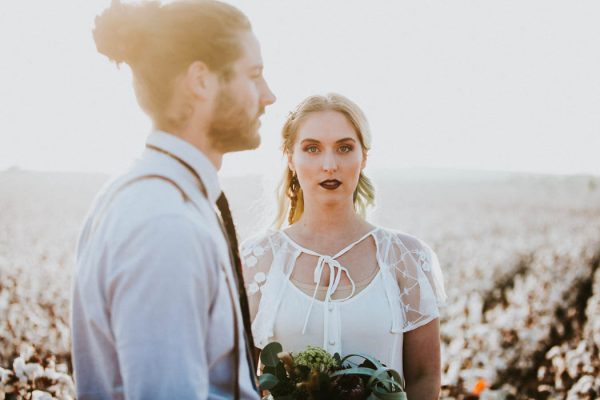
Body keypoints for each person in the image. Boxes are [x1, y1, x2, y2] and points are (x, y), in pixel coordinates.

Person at [71, 1, 275, 399]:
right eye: (254, 76)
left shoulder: (156, 198)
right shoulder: (164, 225)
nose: (269, 95)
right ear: (201, 80)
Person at [241, 93, 446, 398]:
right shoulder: (255, 260)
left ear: (363, 158)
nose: (329, 164)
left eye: (344, 148)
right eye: (312, 148)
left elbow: (423, 377)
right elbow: (241, 380)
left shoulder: (407, 257)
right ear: (290, 158)